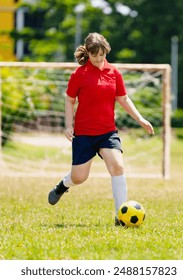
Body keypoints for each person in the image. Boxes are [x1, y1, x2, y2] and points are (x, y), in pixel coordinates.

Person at [48, 32, 154, 225]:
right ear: (88, 53)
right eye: (95, 55)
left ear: (107, 51)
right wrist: (68, 125)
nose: (99, 59)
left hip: (107, 132)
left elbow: (123, 98)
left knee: (118, 166)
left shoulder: (114, 72)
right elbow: (69, 100)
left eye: (102, 54)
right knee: (79, 177)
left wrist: (140, 119)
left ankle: (120, 217)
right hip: (84, 134)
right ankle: (62, 186)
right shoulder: (79, 75)